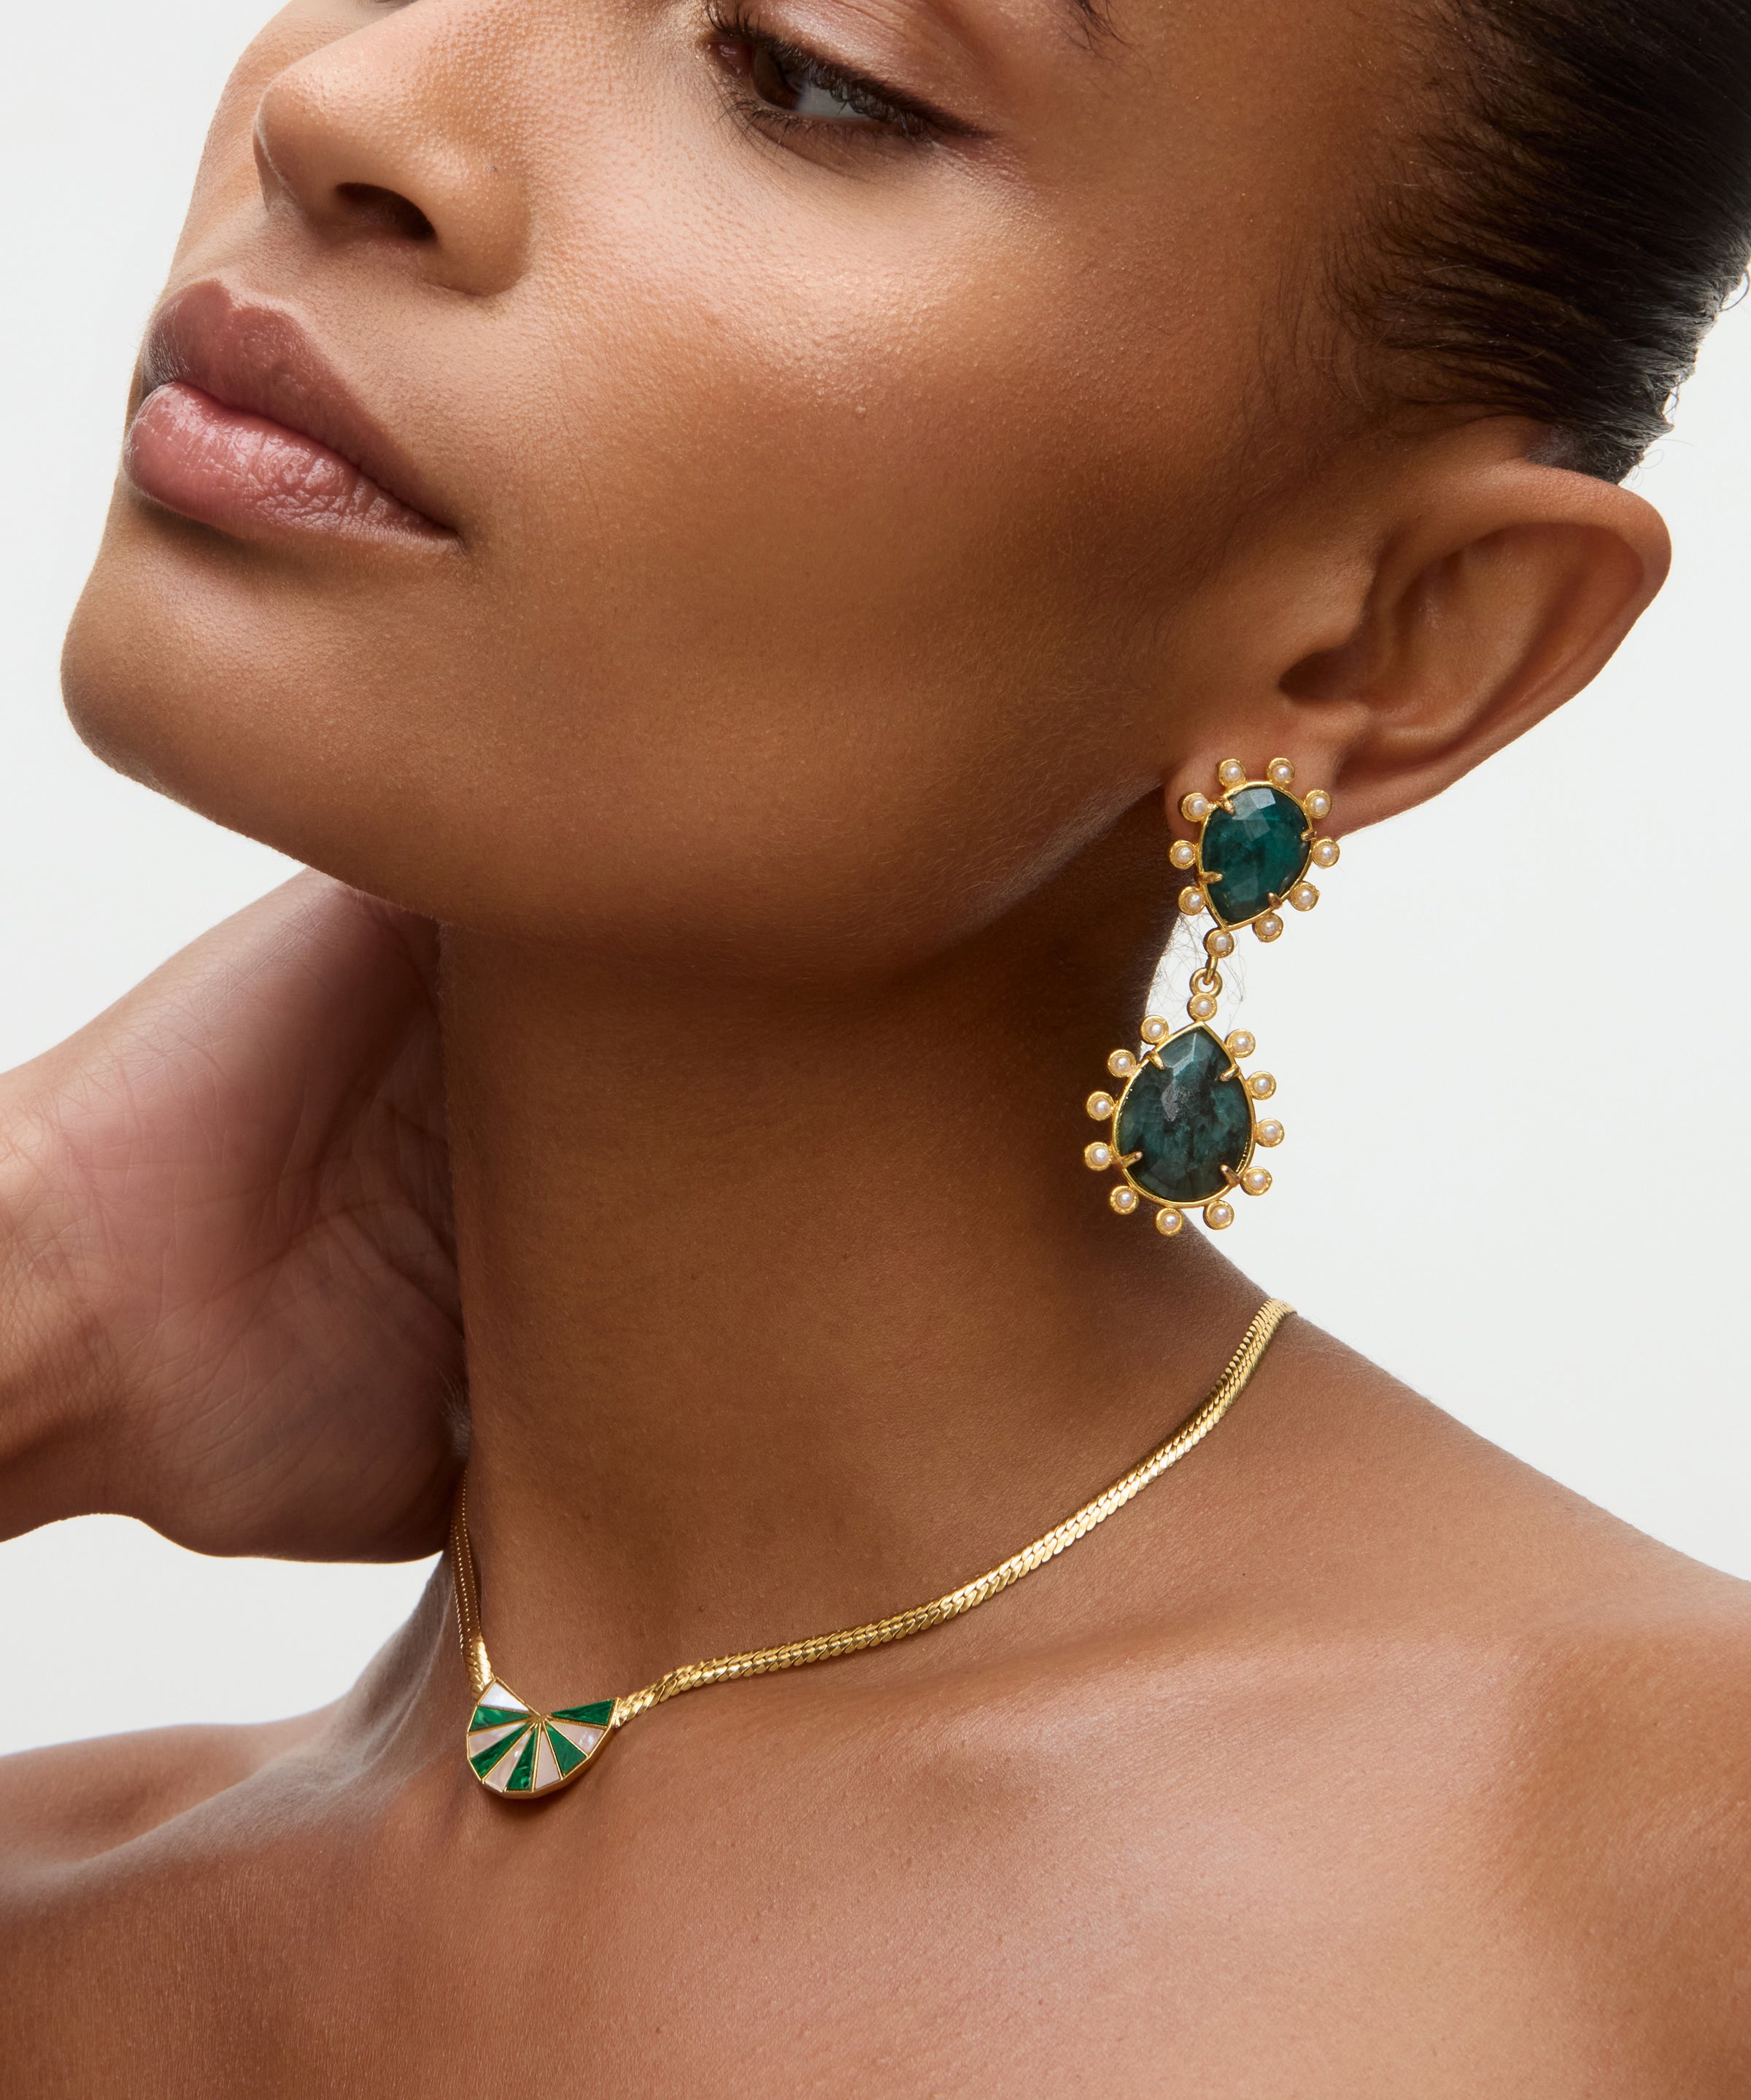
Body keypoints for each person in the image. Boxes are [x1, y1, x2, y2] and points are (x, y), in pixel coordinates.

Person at [3, 0, 1749, 2087]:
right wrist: (44, 1293)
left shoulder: (1663, 1901)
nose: (344, 104)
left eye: (812, 72)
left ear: (1390, 638)